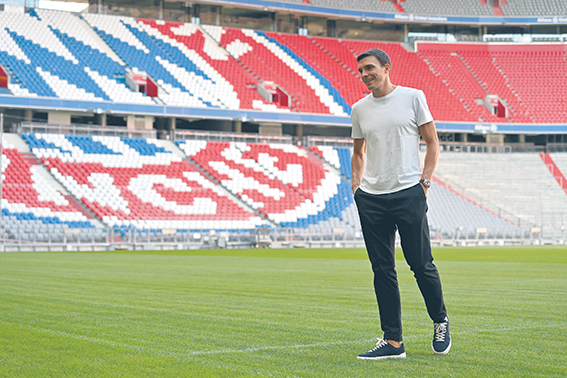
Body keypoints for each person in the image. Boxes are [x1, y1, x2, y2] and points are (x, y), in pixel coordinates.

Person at [351, 48, 451, 360]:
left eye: (370, 68)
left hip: (409, 192)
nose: (365, 75)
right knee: (382, 270)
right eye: (361, 71)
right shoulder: (358, 109)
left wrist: (425, 182)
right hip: (372, 198)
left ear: (386, 67)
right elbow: (358, 151)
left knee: (421, 264)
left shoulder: (413, 97)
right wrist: (357, 187)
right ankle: (393, 341)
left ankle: (440, 322)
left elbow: (433, 142)